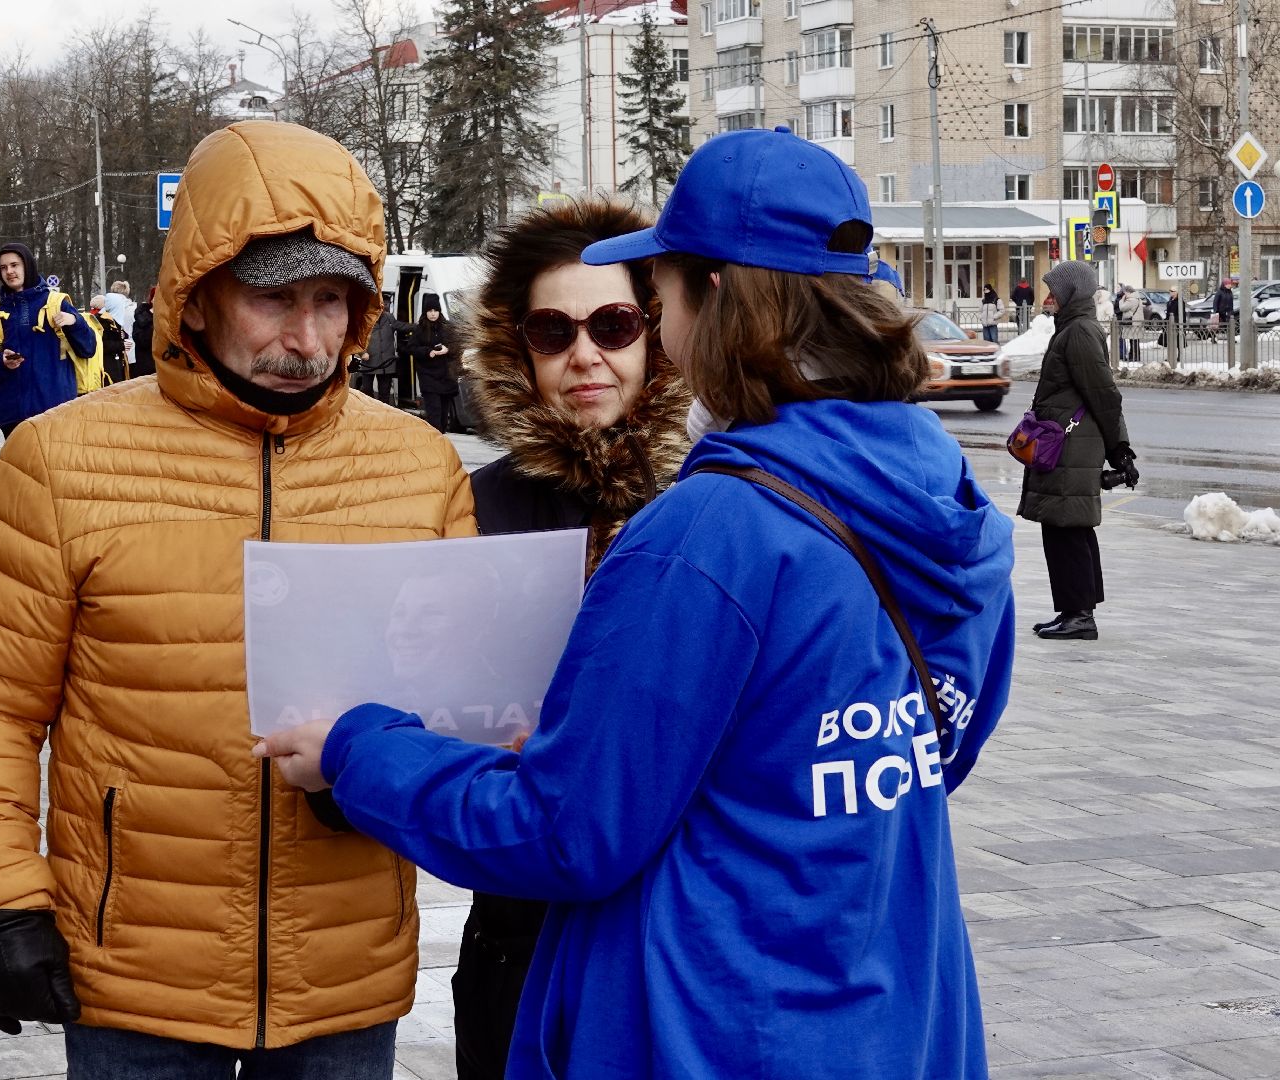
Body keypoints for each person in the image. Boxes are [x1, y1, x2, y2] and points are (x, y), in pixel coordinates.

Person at [256, 127, 1016, 1079]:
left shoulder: (709, 535)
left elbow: (566, 832)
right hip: (894, 1006)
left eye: (652, 293)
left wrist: (356, 748)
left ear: (715, 297)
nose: (650, 315)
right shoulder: (945, 494)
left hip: (721, 1022)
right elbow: (937, 748)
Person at [0, 120, 477, 1079]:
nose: (306, 341)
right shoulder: (61, 462)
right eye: (273, 300)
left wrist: (393, 771)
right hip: (133, 968)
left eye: (332, 302)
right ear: (198, 293)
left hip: (343, 966)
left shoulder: (419, 467)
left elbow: (461, 695)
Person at [451, 197, 691, 1079]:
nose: (585, 354)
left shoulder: (716, 492)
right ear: (519, 350)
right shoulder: (474, 507)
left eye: (614, 324)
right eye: (553, 331)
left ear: (656, 334)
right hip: (520, 932)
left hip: (679, 931)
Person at [1018, 260, 1138, 642]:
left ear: (1071, 294)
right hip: (1065, 443)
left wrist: (1120, 449)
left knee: (1066, 528)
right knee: (1068, 528)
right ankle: (1075, 610)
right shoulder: (1071, 329)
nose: (1048, 297)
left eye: (1054, 290)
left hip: (1071, 446)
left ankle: (1080, 616)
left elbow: (1104, 394)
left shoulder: (1080, 332)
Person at [0, 243, 96, 438]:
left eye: (15, 265)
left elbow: (88, 348)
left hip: (56, 412)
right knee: (19, 469)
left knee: (55, 468)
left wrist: (74, 322)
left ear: (27, 266)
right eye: (3, 268)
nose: (9, 271)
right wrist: (1, 362)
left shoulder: (56, 303)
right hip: (13, 416)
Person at [411, 294, 462, 433]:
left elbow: (458, 346)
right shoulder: (419, 329)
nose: (433, 314)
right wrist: (429, 352)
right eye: (429, 311)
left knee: (444, 419)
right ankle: (436, 445)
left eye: (435, 310)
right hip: (428, 377)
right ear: (425, 312)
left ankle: (440, 441)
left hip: (446, 377)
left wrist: (448, 349)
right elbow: (412, 348)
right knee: (435, 415)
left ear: (439, 311)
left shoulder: (448, 327)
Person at [357, 300, 409, 404]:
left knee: (384, 393)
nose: (379, 309)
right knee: (366, 390)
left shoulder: (389, 318)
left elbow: (401, 326)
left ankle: (384, 415)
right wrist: (362, 353)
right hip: (369, 364)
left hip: (386, 364)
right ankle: (369, 412)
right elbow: (357, 340)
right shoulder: (364, 320)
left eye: (381, 307)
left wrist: (418, 326)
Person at [88, 295, 129, 385]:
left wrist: (124, 336)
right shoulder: (102, 321)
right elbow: (101, 344)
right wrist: (121, 345)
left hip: (116, 363)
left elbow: (118, 334)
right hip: (108, 365)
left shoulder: (113, 318)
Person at [129, 287, 156, 378]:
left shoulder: (168, 317)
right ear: (152, 299)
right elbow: (142, 341)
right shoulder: (141, 319)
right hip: (147, 366)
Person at [1117, 284, 1145, 362]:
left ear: (1128, 292)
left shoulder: (1132, 300)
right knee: (1134, 340)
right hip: (1135, 323)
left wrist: (1122, 300)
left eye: (1125, 293)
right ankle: (1134, 356)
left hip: (1133, 323)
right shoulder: (1137, 298)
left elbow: (1122, 308)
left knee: (1133, 341)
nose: (1124, 295)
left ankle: (1134, 357)